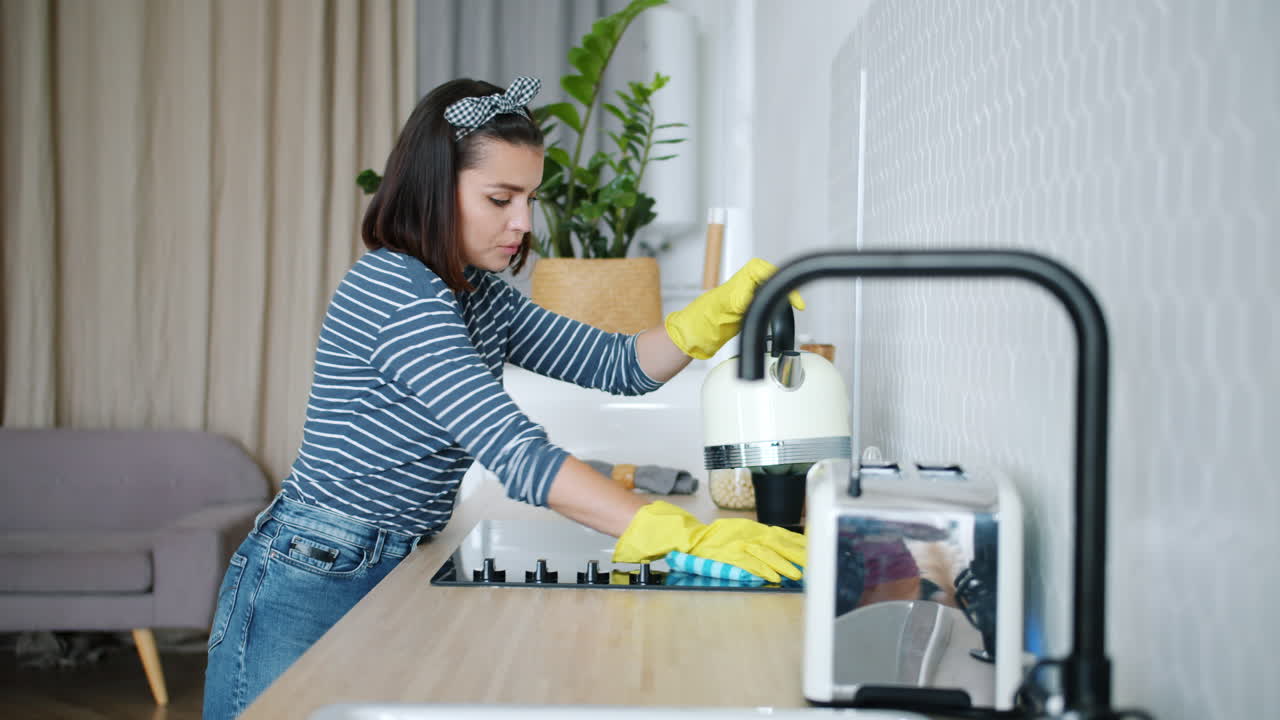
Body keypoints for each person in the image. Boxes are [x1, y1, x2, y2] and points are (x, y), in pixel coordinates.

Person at [203, 76, 806, 719]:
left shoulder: (479, 296)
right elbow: (516, 454)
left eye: (529, 198)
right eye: (500, 198)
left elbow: (616, 364)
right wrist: (667, 529)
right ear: (437, 188)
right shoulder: (396, 288)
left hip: (394, 556)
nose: (522, 222)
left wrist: (706, 317)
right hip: (313, 569)